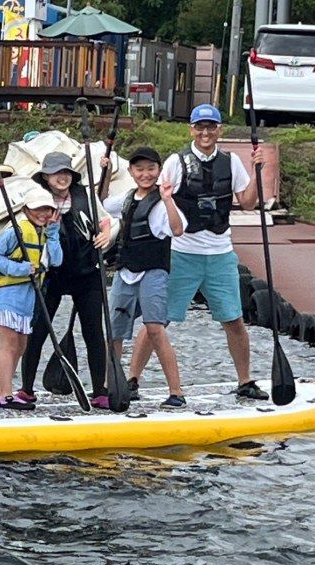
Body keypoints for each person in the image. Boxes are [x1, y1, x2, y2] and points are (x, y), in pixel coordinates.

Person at [128, 104, 270, 402]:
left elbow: (246, 203)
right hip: (182, 254)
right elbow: (153, 194)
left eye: (211, 127)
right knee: (157, 320)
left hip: (220, 253)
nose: (205, 132)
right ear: (191, 129)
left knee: (234, 320)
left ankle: (245, 380)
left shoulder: (231, 162)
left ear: (220, 130)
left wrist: (258, 171)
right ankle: (132, 380)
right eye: (200, 127)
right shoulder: (176, 162)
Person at [15, 152, 117, 404]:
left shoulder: (86, 195)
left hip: (86, 272)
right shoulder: (39, 199)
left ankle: (100, 392)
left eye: (66, 173)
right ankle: (26, 388)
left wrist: (107, 236)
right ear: (46, 177)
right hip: (51, 276)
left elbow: (109, 221)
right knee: (37, 330)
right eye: (55, 173)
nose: (61, 177)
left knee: (93, 331)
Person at [98, 147, 187, 410]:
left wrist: (169, 199)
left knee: (155, 328)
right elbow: (100, 203)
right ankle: (113, 386)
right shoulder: (126, 198)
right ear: (131, 172)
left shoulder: (162, 201)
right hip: (126, 272)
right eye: (140, 169)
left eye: (151, 169)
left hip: (153, 272)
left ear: (158, 170)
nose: (145, 174)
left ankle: (176, 391)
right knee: (113, 333)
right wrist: (103, 174)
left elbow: (178, 229)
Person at [0, 188, 63, 410]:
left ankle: (2, 388)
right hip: (8, 295)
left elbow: (56, 261)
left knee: (21, 345)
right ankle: (6, 394)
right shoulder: (15, 230)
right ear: (26, 210)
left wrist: (54, 232)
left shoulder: (44, 232)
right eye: (38, 208)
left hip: (27, 299)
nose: (43, 213)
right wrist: (20, 268)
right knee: (9, 345)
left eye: (47, 209)